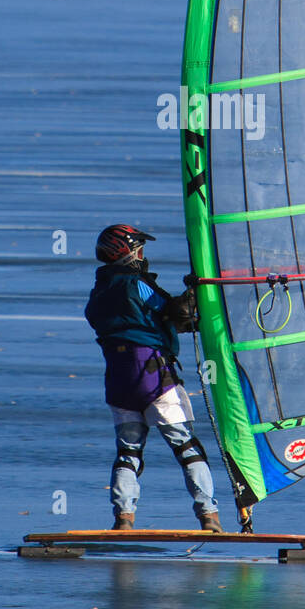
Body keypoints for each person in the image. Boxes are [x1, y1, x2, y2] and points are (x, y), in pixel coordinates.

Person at [84, 224, 222, 533]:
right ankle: (209, 516)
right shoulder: (136, 284)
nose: (143, 257)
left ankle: (123, 518)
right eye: (139, 251)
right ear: (127, 253)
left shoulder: (98, 291)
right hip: (153, 377)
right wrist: (196, 292)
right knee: (187, 447)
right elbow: (178, 314)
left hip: (118, 382)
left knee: (128, 452)